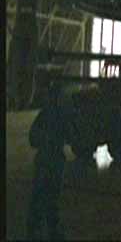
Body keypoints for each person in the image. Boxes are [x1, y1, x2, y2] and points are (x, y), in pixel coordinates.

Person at [27, 83, 67, 240]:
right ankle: (47, 229)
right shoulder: (57, 116)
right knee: (48, 196)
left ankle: (38, 228)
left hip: (47, 160)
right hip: (51, 160)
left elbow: (33, 138)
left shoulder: (47, 115)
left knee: (43, 195)